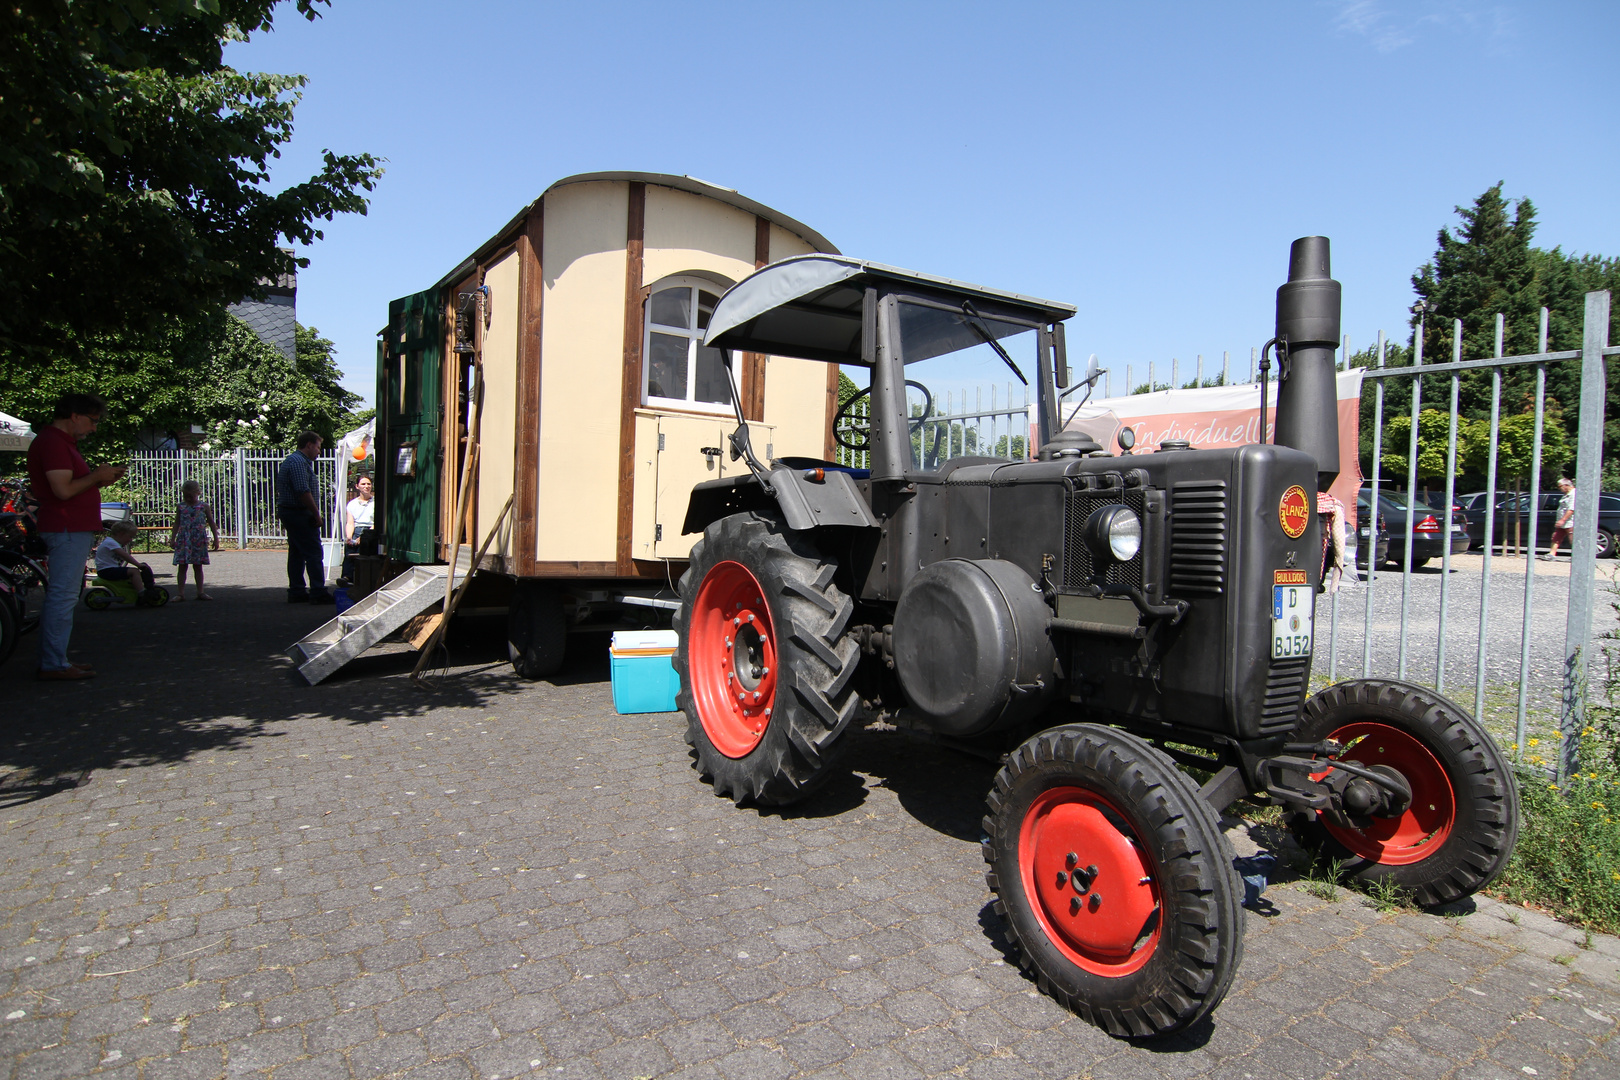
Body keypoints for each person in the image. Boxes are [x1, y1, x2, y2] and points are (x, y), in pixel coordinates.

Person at [26, 392, 127, 680]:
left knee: (64, 595)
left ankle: (56, 659)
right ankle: (54, 664)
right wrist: (96, 476)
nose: (94, 428)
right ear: (75, 416)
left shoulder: (56, 442)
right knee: (63, 596)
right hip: (65, 528)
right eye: (92, 421)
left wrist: (98, 478)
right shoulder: (54, 443)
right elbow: (63, 490)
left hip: (67, 528)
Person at [276, 430, 333, 603]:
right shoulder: (298, 463)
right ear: (309, 445)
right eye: (318, 447)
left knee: (297, 552)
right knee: (313, 552)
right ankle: (317, 591)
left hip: (291, 512)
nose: (319, 451)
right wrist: (316, 513)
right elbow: (302, 491)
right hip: (298, 513)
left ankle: (297, 590)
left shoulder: (295, 461)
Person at [169, 479, 219, 600]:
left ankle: (200, 592)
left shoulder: (203, 506)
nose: (188, 499)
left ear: (198, 493)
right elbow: (177, 523)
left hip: (198, 539)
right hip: (184, 539)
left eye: (190, 496)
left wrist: (215, 538)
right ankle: (180, 593)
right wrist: (172, 538)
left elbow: (211, 522)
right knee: (182, 566)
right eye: (185, 496)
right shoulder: (181, 506)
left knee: (198, 566)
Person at [95, 521, 158, 596]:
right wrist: (138, 565)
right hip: (107, 571)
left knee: (130, 572)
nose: (131, 540)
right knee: (134, 571)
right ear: (121, 534)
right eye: (130, 537)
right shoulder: (111, 543)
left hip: (108, 570)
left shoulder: (112, 542)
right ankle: (142, 593)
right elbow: (125, 556)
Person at [1542, 477, 1576, 560]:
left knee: (1572, 537)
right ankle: (1552, 554)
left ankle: (1576, 555)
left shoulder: (1574, 494)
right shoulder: (1566, 495)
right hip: (1563, 521)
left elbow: (1571, 509)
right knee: (1556, 536)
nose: (1559, 488)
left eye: (1560, 486)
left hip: (1570, 520)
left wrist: (1563, 520)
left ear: (1566, 485)